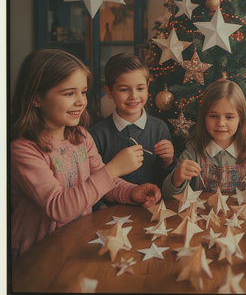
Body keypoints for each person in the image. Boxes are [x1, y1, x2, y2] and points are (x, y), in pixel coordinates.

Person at [10, 49, 161, 259]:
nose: (81, 101)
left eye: (83, 92)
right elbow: (59, 208)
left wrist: (133, 192)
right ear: (36, 98)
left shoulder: (81, 137)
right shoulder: (24, 150)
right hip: (39, 256)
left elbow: (103, 183)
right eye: (69, 93)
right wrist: (114, 168)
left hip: (78, 242)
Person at [162, 79, 246, 198]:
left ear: (241, 119)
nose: (221, 123)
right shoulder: (193, 150)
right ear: (204, 117)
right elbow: (168, 194)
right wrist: (177, 179)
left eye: (229, 117)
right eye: (213, 116)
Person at [90, 53, 176, 187]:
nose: (134, 96)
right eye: (124, 89)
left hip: (153, 205)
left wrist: (168, 161)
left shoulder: (160, 128)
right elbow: (94, 182)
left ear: (148, 86)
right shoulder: (97, 135)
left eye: (140, 88)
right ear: (109, 92)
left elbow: (166, 181)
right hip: (114, 207)